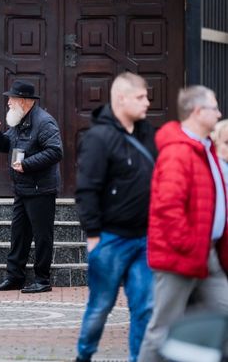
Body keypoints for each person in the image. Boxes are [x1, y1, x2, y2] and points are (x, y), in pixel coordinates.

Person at [138, 85, 228, 362]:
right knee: (162, 329)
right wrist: (188, 244)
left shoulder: (205, 148)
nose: (219, 113)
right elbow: (168, 206)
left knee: (223, 316)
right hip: (181, 254)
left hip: (207, 253)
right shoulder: (179, 152)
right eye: (214, 108)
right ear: (198, 111)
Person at [74, 72, 156, 362]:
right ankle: (84, 355)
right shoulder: (98, 138)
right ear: (121, 99)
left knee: (145, 306)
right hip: (110, 238)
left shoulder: (147, 133)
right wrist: (93, 235)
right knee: (101, 307)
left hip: (144, 239)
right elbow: (86, 189)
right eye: (140, 97)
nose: (147, 102)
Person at [0, 80, 62, 294]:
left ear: (25, 101)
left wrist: (26, 164)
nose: (8, 102)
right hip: (22, 188)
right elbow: (6, 145)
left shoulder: (44, 122)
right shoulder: (19, 121)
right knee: (19, 235)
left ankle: (42, 280)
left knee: (42, 236)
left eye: (12, 98)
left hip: (41, 189)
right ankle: (15, 277)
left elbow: (55, 151)